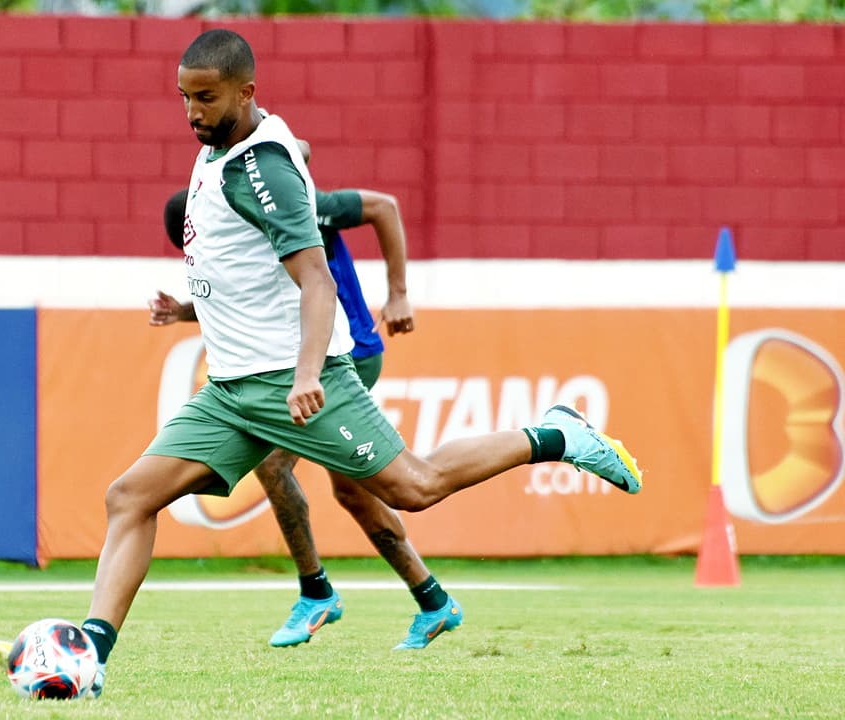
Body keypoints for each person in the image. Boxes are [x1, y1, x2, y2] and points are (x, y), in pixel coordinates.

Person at [36, 29, 640, 698]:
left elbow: (316, 279)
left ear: (247, 91)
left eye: (205, 98)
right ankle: (89, 656)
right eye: (183, 98)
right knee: (130, 496)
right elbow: (247, 262)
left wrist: (303, 375)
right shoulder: (225, 149)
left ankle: (557, 436)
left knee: (415, 486)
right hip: (233, 391)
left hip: (297, 379)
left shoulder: (259, 168)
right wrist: (188, 310)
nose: (192, 112)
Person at [159, 179, 455, 652]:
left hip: (344, 354)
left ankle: (316, 591)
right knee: (355, 491)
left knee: (277, 464)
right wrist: (184, 312)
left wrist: (398, 293)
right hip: (300, 362)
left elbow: (382, 205)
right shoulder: (239, 228)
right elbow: (256, 300)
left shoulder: (293, 204)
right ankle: (433, 600)